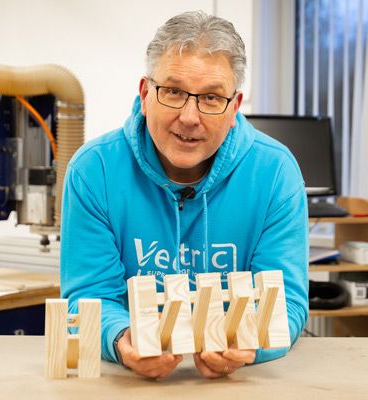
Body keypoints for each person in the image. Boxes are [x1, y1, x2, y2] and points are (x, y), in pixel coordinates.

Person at [60, 10, 309, 379]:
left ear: (234, 107)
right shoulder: (94, 171)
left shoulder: (275, 173)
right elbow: (88, 297)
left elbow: (285, 303)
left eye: (211, 97)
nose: (190, 117)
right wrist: (121, 338)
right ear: (145, 94)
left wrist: (247, 344)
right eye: (174, 92)